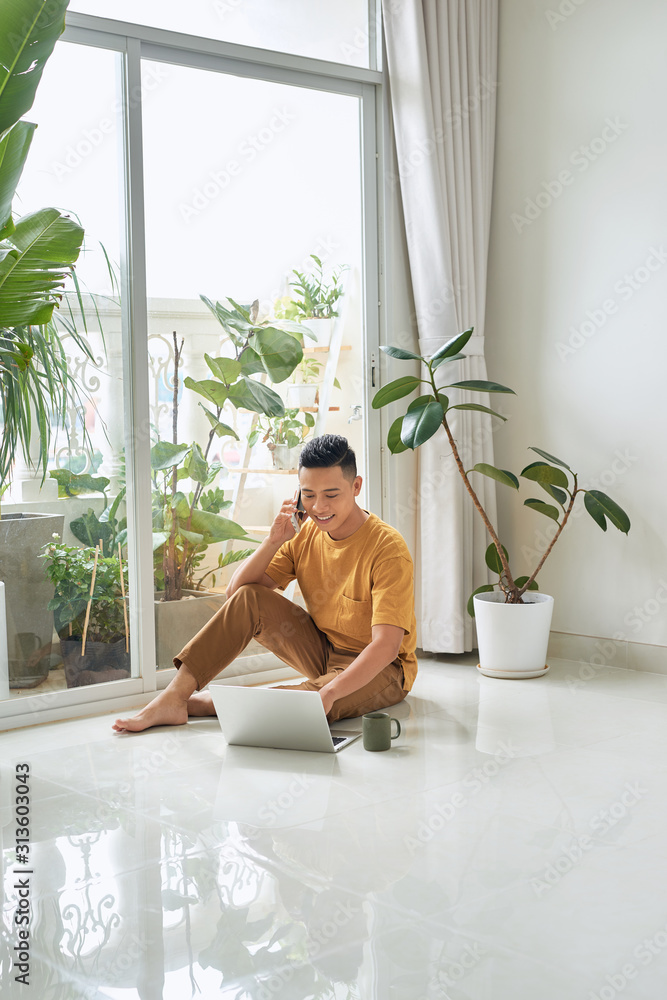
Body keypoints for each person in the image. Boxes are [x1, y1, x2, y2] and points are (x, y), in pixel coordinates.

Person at [113, 434, 417, 733]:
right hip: (326, 653)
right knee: (251, 598)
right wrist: (274, 540)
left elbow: (386, 647)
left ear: (356, 487)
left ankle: (207, 704)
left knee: (314, 705)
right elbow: (238, 595)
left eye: (331, 495)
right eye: (309, 495)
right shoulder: (304, 534)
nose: (319, 507)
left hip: (385, 670)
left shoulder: (387, 548)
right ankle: (174, 697)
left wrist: (330, 693)